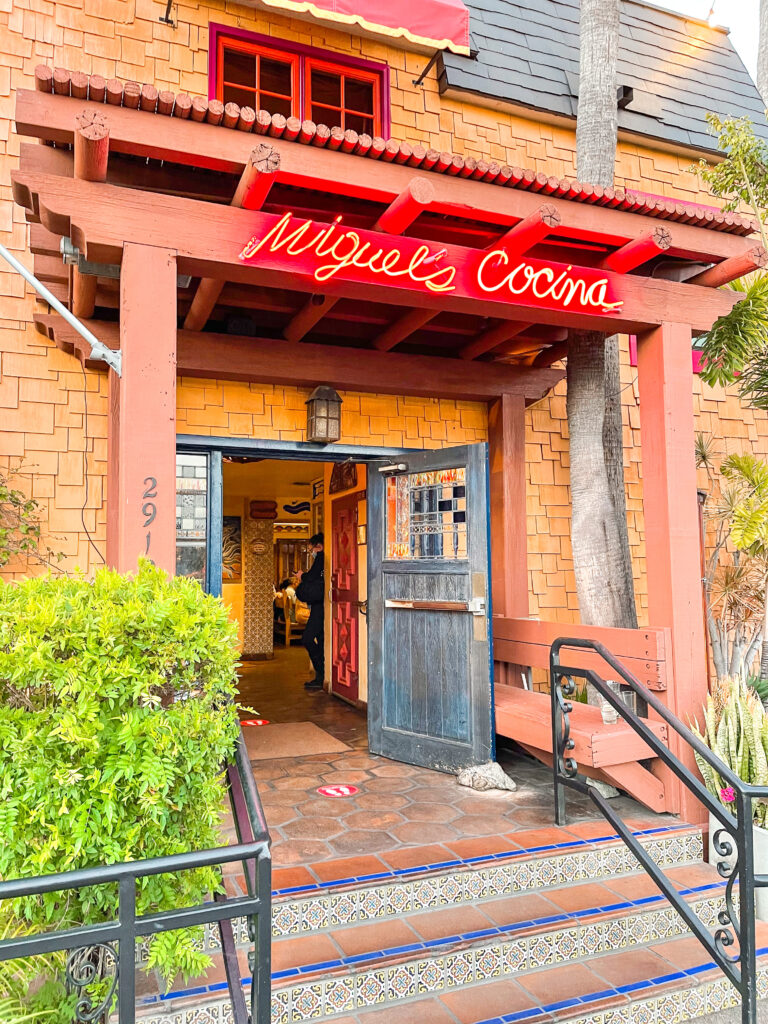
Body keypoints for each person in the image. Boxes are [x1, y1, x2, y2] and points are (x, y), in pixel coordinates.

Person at [295, 534, 325, 690]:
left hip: (320, 606)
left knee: (308, 638)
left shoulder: (321, 558)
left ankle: (321, 674)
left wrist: (302, 576)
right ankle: (322, 676)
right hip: (321, 605)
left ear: (318, 546)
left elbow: (312, 577)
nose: (311, 551)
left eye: (311, 548)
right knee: (320, 639)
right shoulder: (324, 560)